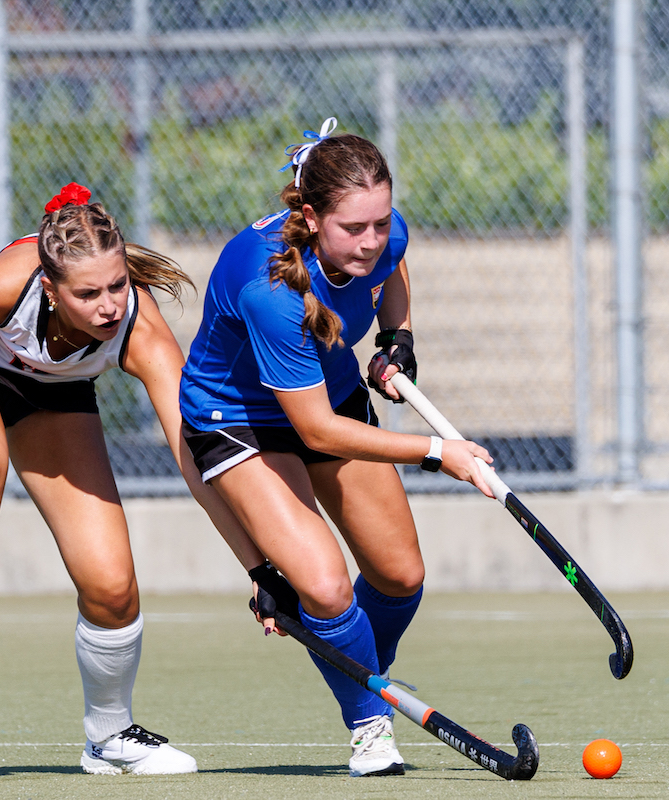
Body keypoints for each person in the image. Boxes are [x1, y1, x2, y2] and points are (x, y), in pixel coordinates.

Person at [0, 183, 227, 774]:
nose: (109, 306)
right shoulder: (12, 282)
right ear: (51, 290)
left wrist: (259, 567)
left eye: (117, 286)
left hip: (53, 391)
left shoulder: (140, 329)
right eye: (88, 294)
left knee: (111, 585)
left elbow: (194, 452)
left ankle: (109, 737)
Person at [178, 118, 496, 777]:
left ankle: (362, 675)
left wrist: (396, 339)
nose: (372, 241)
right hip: (237, 419)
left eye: (381, 222)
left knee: (400, 577)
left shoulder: (382, 236)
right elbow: (316, 431)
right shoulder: (274, 292)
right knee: (323, 588)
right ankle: (369, 724)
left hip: (329, 388)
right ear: (312, 217)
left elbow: (394, 268)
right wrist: (439, 451)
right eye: (355, 229)